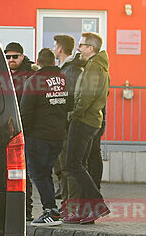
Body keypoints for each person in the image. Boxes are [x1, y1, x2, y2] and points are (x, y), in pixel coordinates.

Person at [64, 32, 110, 224]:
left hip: (84, 120)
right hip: (91, 120)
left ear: (91, 48)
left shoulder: (93, 67)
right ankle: (84, 212)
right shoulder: (99, 66)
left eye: (82, 45)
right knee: (80, 165)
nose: (79, 49)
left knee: (72, 164)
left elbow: (86, 95)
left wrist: (74, 113)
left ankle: (97, 205)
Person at [20, 48, 68, 224]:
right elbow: (68, 104)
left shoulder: (34, 81)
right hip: (58, 134)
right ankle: (53, 209)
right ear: (54, 62)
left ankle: (51, 210)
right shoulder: (63, 80)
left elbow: (26, 112)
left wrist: (24, 134)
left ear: (37, 63)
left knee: (38, 174)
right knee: (46, 172)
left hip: (38, 136)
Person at [5, 41, 38, 219]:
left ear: (22, 57)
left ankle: (26, 211)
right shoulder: (2, 73)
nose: (11, 60)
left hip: (26, 129)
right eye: (8, 56)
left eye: (14, 56)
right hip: (6, 127)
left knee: (23, 171)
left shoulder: (31, 74)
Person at [52, 34, 83, 217]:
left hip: (67, 127)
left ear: (60, 49)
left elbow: (67, 101)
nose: (55, 49)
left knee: (67, 168)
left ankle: (71, 207)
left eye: (55, 46)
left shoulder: (70, 72)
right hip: (61, 126)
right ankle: (66, 205)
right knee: (61, 168)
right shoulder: (65, 70)